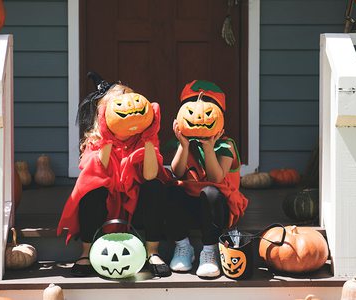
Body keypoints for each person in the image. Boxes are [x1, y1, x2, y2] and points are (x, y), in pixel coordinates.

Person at [57, 72, 172, 277]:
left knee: (154, 186)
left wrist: (149, 137)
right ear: (105, 115)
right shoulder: (96, 141)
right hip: (105, 208)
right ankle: (85, 252)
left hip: (136, 207)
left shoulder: (144, 140)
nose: (128, 115)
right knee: (92, 189)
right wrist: (107, 138)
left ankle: (153, 251)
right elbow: (97, 173)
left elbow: (150, 174)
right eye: (119, 110)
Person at [166, 80, 248, 278]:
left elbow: (216, 178)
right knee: (173, 189)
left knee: (210, 192)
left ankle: (209, 250)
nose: (200, 116)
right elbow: (177, 172)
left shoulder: (225, 146)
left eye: (208, 112)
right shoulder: (183, 143)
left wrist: (209, 147)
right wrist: (184, 146)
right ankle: (183, 246)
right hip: (192, 206)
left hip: (217, 208)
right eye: (192, 110)